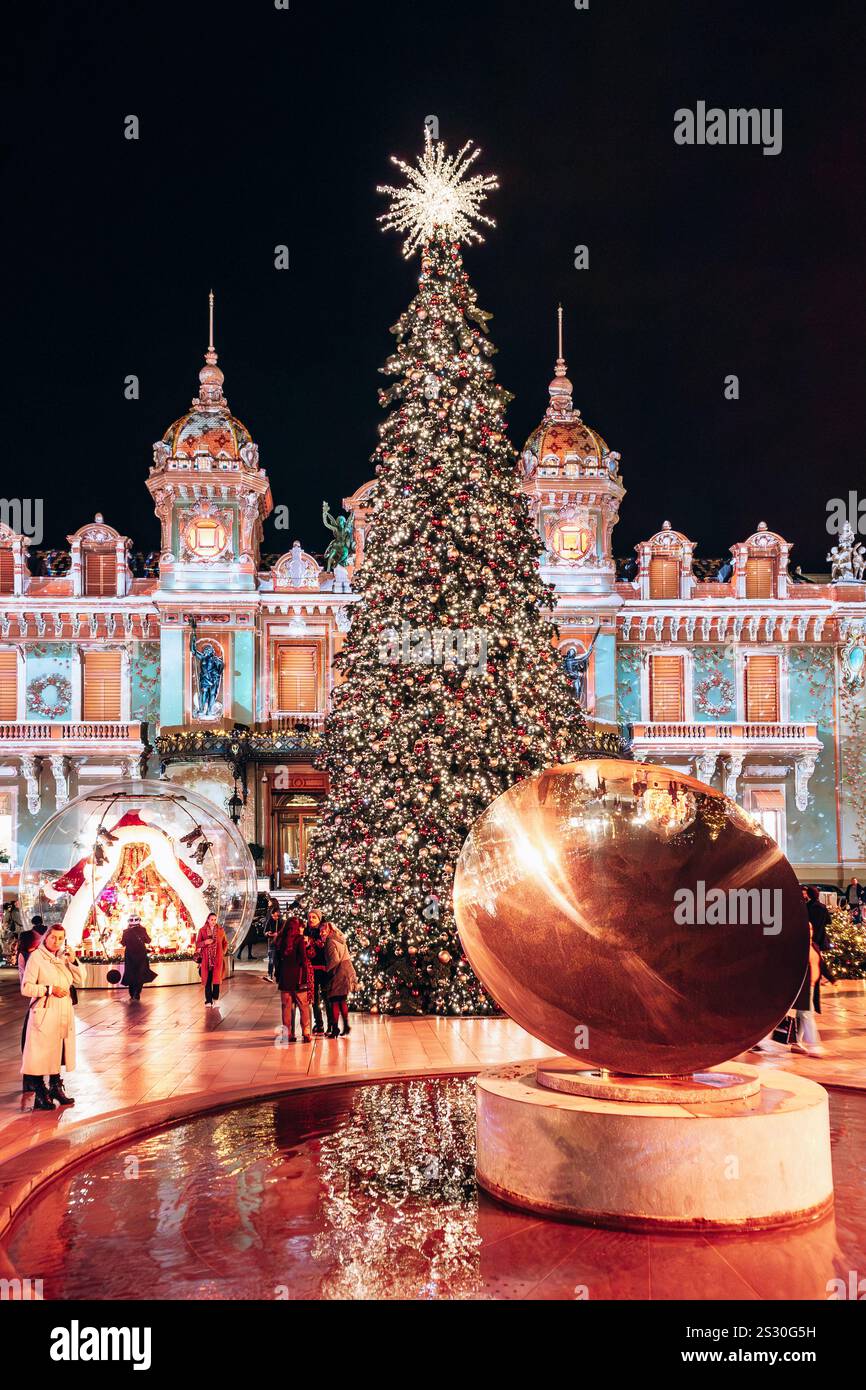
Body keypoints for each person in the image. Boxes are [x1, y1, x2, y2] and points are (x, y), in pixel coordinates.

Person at [21, 925, 85, 1110]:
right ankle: (41, 1092)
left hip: (63, 1011)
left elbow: (80, 980)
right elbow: (26, 987)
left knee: (59, 1050)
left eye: (60, 938)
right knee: (40, 1054)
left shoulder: (62, 958)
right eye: (53, 938)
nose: (56, 942)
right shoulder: (37, 958)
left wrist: (73, 961)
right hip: (45, 1010)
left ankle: (56, 1087)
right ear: (46, 937)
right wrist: (49, 989)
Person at [792, 921, 828, 1057]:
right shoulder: (799, 948)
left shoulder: (813, 946)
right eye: (807, 928)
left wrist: (832, 979)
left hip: (811, 986)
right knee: (807, 1013)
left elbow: (821, 965)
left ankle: (797, 1042)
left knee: (802, 1014)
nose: (810, 931)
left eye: (811, 928)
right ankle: (814, 1045)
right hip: (802, 986)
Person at [274, 915, 312, 1042]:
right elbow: (303, 959)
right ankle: (306, 1033)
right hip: (298, 979)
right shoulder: (299, 939)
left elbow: (276, 961)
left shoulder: (279, 940)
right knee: (303, 1007)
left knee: (286, 1008)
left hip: (285, 979)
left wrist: (278, 976)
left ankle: (287, 1034)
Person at [322, 921, 358, 1038]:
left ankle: (335, 1029)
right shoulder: (339, 938)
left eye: (323, 931)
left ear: (328, 930)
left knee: (334, 1000)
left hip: (339, 971)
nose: (321, 933)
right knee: (342, 1000)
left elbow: (335, 960)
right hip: (347, 969)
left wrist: (327, 970)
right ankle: (346, 1025)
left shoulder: (329, 941)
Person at [16, 929, 40, 1091]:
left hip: (39, 998)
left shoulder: (34, 954)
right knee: (31, 1041)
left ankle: (31, 1080)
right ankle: (29, 1080)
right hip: (36, 999)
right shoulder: (26, 955)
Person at [120, 915, 157, 1001]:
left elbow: (123, 943)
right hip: (141, 955)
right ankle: (137, 993)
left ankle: (132, 993)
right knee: (140, 974)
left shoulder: (126, 931)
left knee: (130, 973)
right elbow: (148, 940)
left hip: (130, 956)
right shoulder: (143, 930)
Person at [195, 913, 229, 1006]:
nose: (213, 922)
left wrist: (223, 952)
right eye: (211, 919)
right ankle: (208, 1001)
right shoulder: (202, 930)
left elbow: (225, 943)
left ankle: (216, 999)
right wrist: (205, 942)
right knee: (207, 980)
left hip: (217, 959)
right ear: (208, 920)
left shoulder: (220, 930)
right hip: (206, 959)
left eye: (215, 919)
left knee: (216, 980)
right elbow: (198, 944)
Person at [264, 902, 282, 981]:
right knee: (271, 959)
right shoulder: (269, 921)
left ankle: (277, 975)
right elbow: (265, 931)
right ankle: (269, 974)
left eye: (275, 916)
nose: (274, 917)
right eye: (273, 916)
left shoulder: (281, 922)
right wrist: (268, 933)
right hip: (271, 942)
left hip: (279, 943)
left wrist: (277, 934)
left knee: (278, 961)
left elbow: (283, 932)